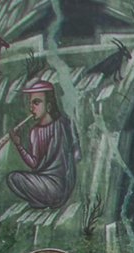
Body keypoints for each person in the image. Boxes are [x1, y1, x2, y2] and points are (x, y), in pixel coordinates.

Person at [7, 81, 80, 209]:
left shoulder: (63, 124)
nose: (31, 108)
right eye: (31, 103)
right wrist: (19, 145)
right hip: (44, 183)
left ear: (49, 106)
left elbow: (76, 154)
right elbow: (34, 163)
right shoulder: (35, 132)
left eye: (36, 103)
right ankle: (43, 202)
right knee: (12, 178)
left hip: (59, 186)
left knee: (15, 178)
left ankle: (44, 201)